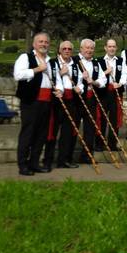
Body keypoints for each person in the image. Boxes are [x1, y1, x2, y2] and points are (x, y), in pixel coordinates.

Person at [14, 32, 56, 175]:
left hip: (47, 101)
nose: (44, 44)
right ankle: (23, 165)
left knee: (41, 134)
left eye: (46, 42)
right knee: (28, 133)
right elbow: (18, 75)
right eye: (40, 42)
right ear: (34, 44)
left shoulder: (50, 60)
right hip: (31, 101)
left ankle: (34, 163)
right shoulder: (25, 57)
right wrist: (38, 69)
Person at [43, 41, 81, 170]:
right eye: (64, 48)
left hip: (71, 102)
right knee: (51, 132)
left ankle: (63, 160)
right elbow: (46, 79)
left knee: (67, 133)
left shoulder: (75, 65)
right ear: (59, 50)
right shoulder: (52, 63)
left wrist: (79, 88)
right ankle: (47, 161)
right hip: (56, 101)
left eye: (69, 49)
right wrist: (60, 73)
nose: (67, 50)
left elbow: (80, 81)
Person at [76, 39, 107, 163]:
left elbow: (103, 80)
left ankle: (86, 156)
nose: (89, 50)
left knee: (90, 127)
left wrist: (93, 82)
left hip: (91, 98)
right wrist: (81, 79)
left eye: (91, 48)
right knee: (73, 127)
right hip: (77, 98)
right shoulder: (74, 61)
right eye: (86, 48)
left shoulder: (95, 63)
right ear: (81, 48)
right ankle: (67, 157)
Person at [97, 39, 127, 153]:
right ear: (105, 48)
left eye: (114, 46)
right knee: (102, 118)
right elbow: (96, 77)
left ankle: (112, 144)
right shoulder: (99, 61)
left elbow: (125, 74)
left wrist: (120, 83)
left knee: (115, 119)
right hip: (104, 92)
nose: (111, 48)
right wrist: (106, 72)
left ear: (116, 48)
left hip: (116, 92)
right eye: (109, 46)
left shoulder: (120, 60)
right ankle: (100, 144)